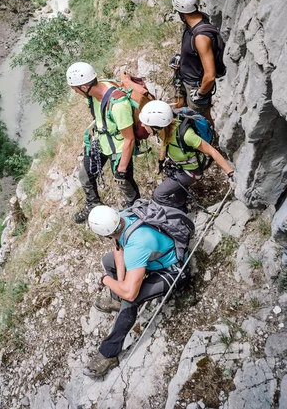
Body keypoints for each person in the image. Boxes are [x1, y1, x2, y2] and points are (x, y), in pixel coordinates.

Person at [83, 204, 190, 378]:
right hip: (154, 257)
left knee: (130, 300)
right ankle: (116, 298)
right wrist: (120, 283)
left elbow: (131, 293)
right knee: (108, 261)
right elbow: (118, 249)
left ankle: (108, 354)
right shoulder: (123, 217)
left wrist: (106, 280)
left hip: (173, 270)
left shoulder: (136, 245)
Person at [66, 62, 140, 223]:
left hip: (120, 147)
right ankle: (93, 205)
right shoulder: (92, 96)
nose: (75, 92)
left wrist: (121, 168)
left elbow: (129, 138)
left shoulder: (118, 104)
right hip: (101, 140)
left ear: (84, 87)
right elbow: (99, 115)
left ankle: (137, 210)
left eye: (75, 89)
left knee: (124, 182)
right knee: (85, 176)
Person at [139, 100, 234, 212]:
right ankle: (180, 206)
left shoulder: (187, 135)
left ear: (156, 126)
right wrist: (161, 162)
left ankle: (175, 216)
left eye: (145, 123)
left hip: (190, 171)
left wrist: (230, 172)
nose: (142, 125)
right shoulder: (165, 129)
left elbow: (212, 151)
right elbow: (165, 142)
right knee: (175, 185)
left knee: (159, 195)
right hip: (179, 166)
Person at [170, 0, 219, 124]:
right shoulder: (192, 23)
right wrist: (180, 58)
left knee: (201, 122)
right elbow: (192, 51)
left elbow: (210, 76)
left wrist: (200, 93)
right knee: (180, 111)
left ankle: (210, 143)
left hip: (196, 85)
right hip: (184, 77)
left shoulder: (201, 37)